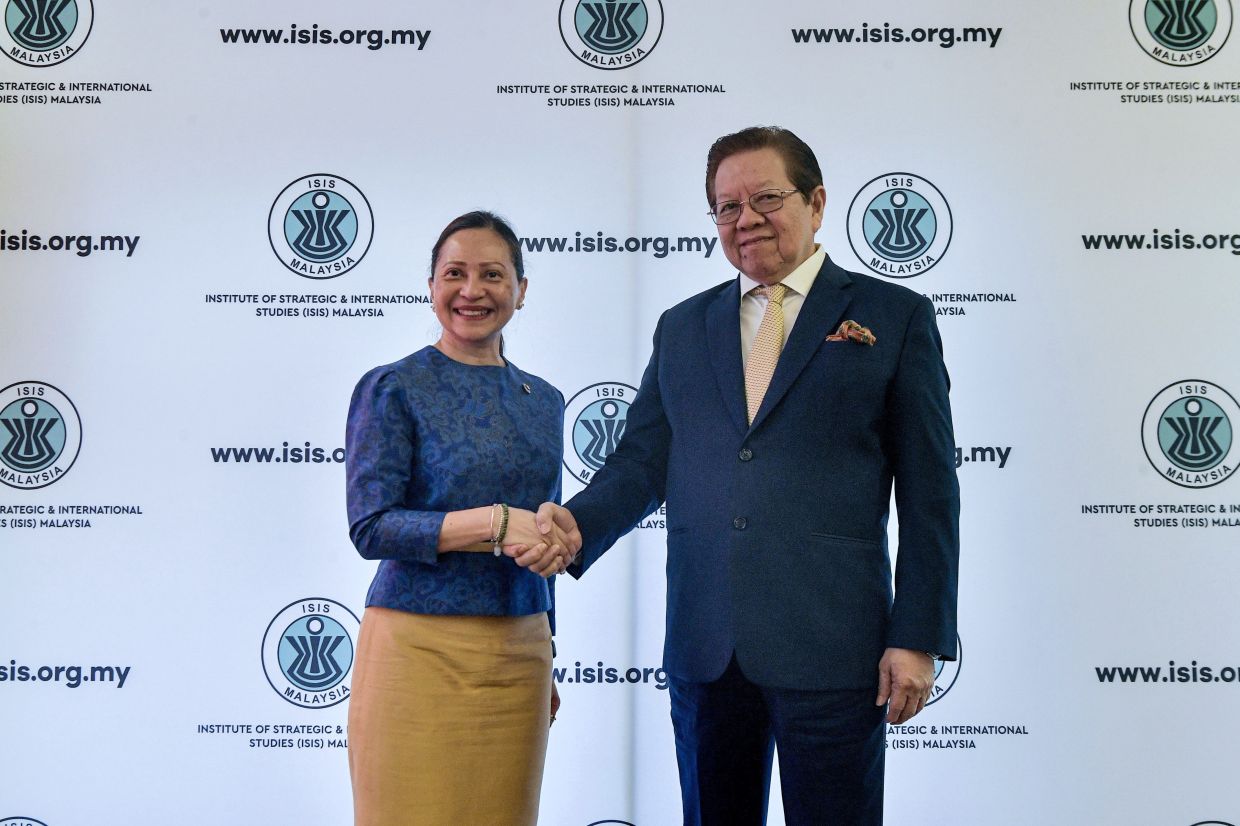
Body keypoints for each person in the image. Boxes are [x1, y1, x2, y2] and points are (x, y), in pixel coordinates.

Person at [513, 126, 960, 825]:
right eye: (726, 207)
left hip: (836, 648)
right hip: (705, 644)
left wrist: (918, 635)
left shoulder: (893, 317)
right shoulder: (683, 327)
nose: (745, 219)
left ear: (816, 203)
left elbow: (932, 493)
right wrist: (577, 524)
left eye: (766, 199)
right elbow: (641, 461)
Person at [345, 210, 574, 826]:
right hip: (416, 649)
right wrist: (493, 525)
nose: (472, 291)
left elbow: (543, 537)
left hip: (521, 654)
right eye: (455, 274)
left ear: (521, 291)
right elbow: (372, 526)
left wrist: (550, 646)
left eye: (493, 275)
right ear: (431, 286)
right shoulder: (394, 386)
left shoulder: (546, 401)